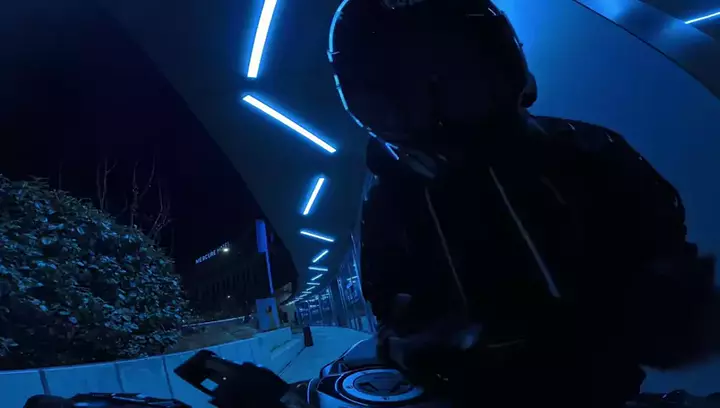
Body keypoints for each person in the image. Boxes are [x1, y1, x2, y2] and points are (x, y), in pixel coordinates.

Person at [328, 0, 717, 407]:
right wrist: (422, 347)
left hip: (606, 390)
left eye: (458, 79)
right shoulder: (392, 202)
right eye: (408, 94)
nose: (441, 111)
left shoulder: (587, 153)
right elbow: (391, 309)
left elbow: (669, 268)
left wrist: (659, 313)